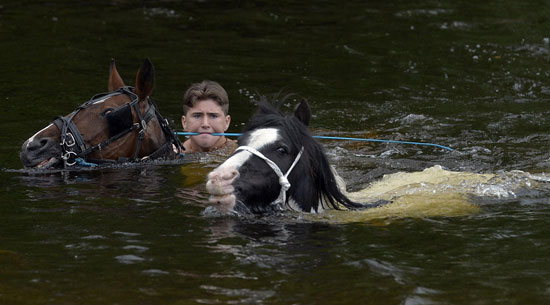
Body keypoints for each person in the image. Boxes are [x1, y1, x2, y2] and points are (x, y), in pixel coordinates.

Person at [180, 80, 237, 154]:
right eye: (197, 116)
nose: (205, 124)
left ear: (226, 122)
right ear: (184, 123)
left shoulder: (243, 154)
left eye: (213, 116)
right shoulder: (171, 154)